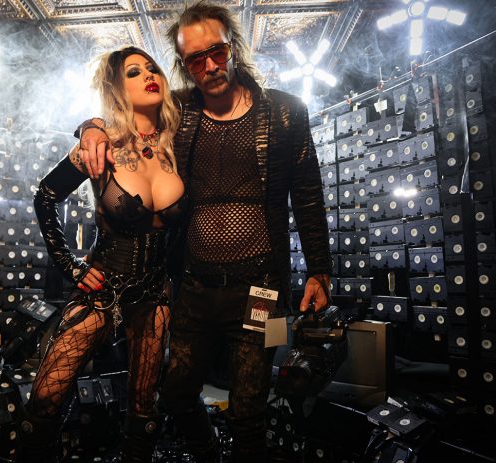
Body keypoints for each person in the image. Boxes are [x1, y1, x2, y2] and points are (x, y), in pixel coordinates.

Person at [77, 3, 332, 461]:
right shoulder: (179, 111)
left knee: (249, 409)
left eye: (217, 51)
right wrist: (90, 128)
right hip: (194, 288)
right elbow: (125, 116)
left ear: (234, 47)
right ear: (183, 64)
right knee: (176, 394)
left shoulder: (286, 112)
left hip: (262, 290)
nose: (210, 65)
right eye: (196, 59)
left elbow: (308, 194)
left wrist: (319, 270)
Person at [20, 46, 184, 463]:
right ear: (116, 88)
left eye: (152, 68)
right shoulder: (101, 144)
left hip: (154, 293)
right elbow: (46, 196)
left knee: (144, 406)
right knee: (46, 395)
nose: (149, 75)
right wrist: (70, 265)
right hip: (102, 287)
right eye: (133, 72)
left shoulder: (179, 141)